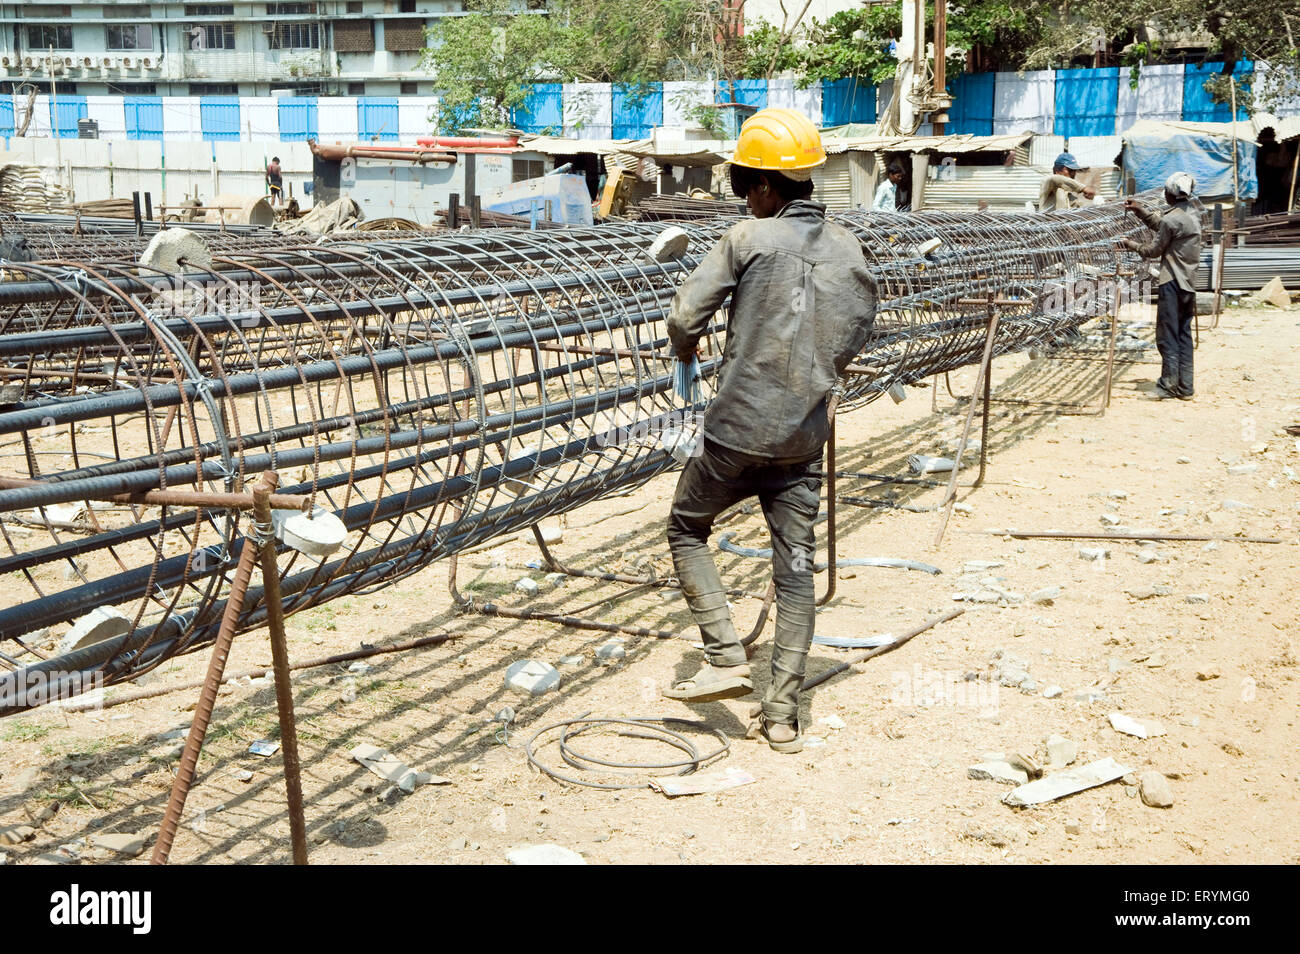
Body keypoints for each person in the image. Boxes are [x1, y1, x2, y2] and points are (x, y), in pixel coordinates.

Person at [661, 107, 878, 753]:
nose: (745, 199)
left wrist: (686, 356)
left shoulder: (745, 239)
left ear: (761, 186)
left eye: (744, 187)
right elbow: (856, 330)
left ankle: (725, 652)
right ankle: (781, 716)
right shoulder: (850, 248)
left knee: (685, 526)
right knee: (795, 572)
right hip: (803, 438)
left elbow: (684, 316)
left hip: (736, 429)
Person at [1120, 172, 1202, 400]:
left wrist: (1130, 244)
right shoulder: (1193, 214)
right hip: (1188, 285)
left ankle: (1167, 386)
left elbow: (1153, 250)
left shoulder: (1171, 219)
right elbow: (1166, 226)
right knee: (1183, 335)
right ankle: (1185, 388)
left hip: (1172, 283)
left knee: (1167, 336)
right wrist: (1141, 212)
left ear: (1170, 194)